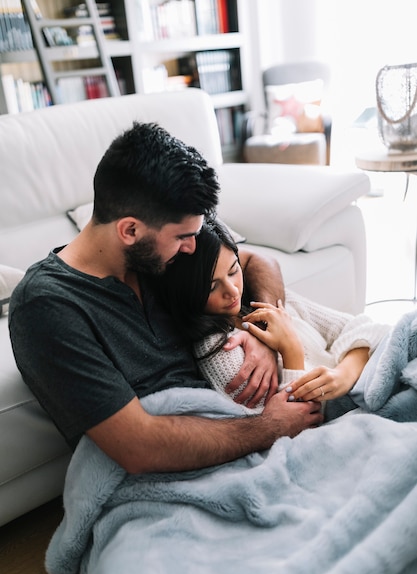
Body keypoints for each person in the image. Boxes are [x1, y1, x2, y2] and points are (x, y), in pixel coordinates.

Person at [8, 121, 323, 476]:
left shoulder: (161, 252)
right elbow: (139, 448)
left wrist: (264, 329)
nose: (192, 247)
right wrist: (272, 426)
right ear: (130, 230)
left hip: (232, 429)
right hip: (173, 469)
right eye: (183, 237)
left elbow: (255, 261)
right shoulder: (47, 305)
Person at [154, 219, 389, 413]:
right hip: (348, 413)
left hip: (363, 383)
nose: (233, 290)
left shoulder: (257, 303)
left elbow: (364, 327)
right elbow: (299, 419)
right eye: (212, 286)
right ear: (187, 293)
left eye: (234, 270)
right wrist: (291, 350)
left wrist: (343, 375)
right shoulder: (219, 352)